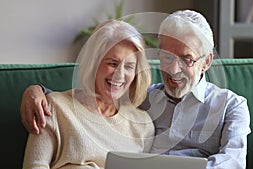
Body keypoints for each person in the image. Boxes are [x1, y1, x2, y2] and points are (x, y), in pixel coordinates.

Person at [21, 10, 251, 169]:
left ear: (207, 61)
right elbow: (87, 103)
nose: (173, 69)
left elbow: (234, 162)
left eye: (187, 59)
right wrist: (37, 90)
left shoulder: (231, 106)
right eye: (166, 57)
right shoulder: (144, 98)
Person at [22, 20, 154, 169]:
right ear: (93, 63)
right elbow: (34, 166)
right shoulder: (54, 107)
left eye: (129, 66)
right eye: (112, 63)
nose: (120, 75)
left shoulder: (143, 125)